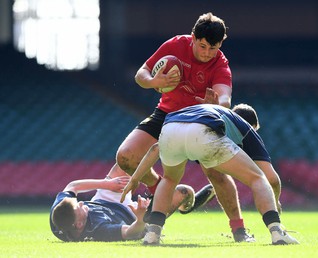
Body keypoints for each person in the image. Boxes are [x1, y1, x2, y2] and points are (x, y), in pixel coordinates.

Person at [109, 12, 254, 241]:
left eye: (213, 48)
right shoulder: (175, 45)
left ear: (220, 44)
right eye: (203, 46)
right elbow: (141, 74)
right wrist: (154, 82)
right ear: (193, 37)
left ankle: (239, 231)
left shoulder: (220, 63)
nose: (207, 53)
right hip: (167, 114)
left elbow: (225, 98)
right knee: (125, 157)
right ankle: (163, 190)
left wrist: (216, 104)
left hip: (201, 119)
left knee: (216, 175)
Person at [121, 104, 299, 245]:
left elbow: (154, 149)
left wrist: (135, 178)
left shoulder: (213, 111)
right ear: (253, 126)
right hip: (202, 131)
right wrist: (274, 203)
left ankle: (152, 234)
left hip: (170, 126)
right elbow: (272, 179)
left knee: (168, 179)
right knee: (257, 178)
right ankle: (277, 232)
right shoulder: (246, 128)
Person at [50, 168, 215, 242]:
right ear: (79, 224)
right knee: (184, 191)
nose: (79, 203)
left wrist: (106, 184)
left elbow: (72, 186)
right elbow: (129, 232)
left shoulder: (58, 214)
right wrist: (140, 219)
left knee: (125, 162)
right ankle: (184, 206)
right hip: (130, 217)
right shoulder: (100, 231)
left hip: (104, 201)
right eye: (78, 207)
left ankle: (155, 187)